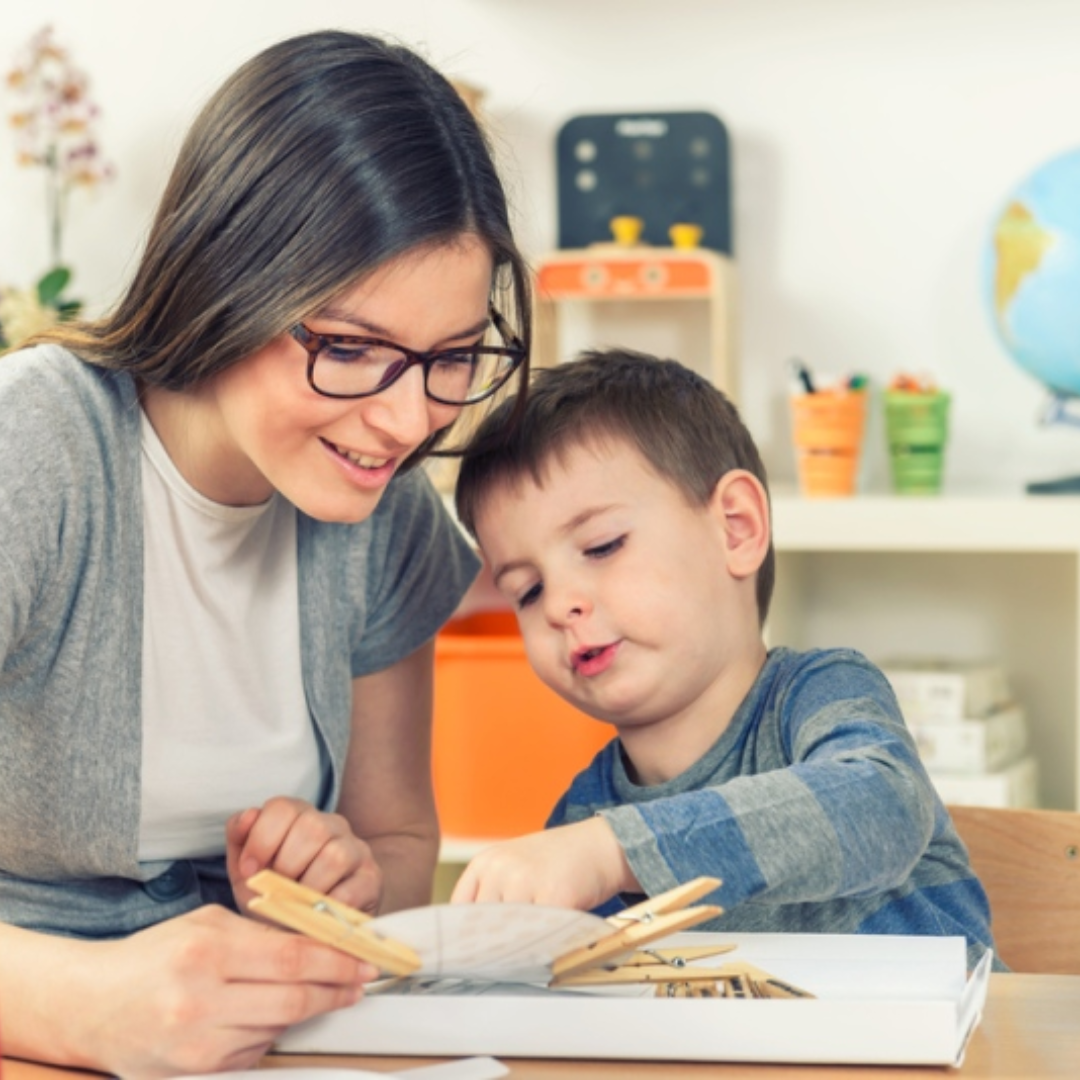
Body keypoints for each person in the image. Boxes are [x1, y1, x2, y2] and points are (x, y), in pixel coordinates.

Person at [0, 29, 530, 1079]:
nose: (404, 420)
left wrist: (346, 885)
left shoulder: (384, 518)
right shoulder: (39, 456)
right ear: (225, 278)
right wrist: (75, 1007)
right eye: (349, 350)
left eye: (452, 359)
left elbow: (398, 850)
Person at [449, 349, 998, 971]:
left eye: (601, 547)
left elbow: (882, 807)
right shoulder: (582, 817)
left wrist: (613, 854)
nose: (560, 606)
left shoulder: (818, 694)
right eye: (528, 590)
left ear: (736, 528)